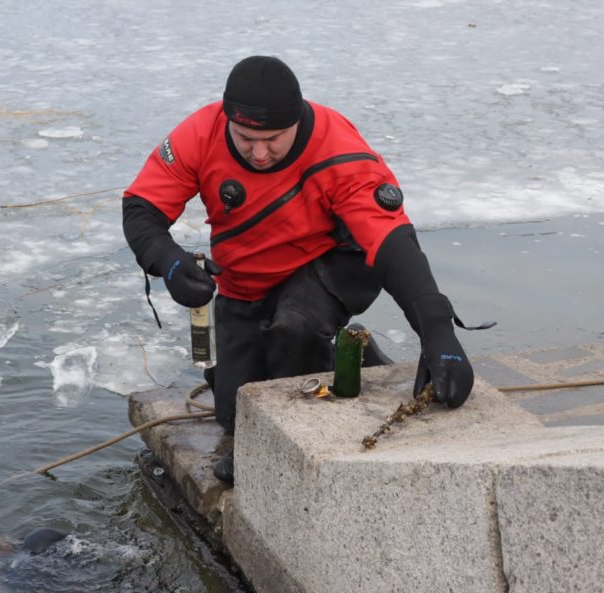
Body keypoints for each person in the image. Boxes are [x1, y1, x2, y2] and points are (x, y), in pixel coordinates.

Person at [123, 56, 479, 485]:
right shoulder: (201, 132)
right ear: (227, 120)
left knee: (294, 330)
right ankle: (356, 358)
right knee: (234, 413)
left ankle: (291, 443)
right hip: (246, 278)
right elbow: (141, 209)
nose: (258, 152)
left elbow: (392, 243)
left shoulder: (338, 151)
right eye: (245, 138)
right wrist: (171, 262)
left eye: (272, 139)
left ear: (296, 120)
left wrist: (437, 329)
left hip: (329, 262)